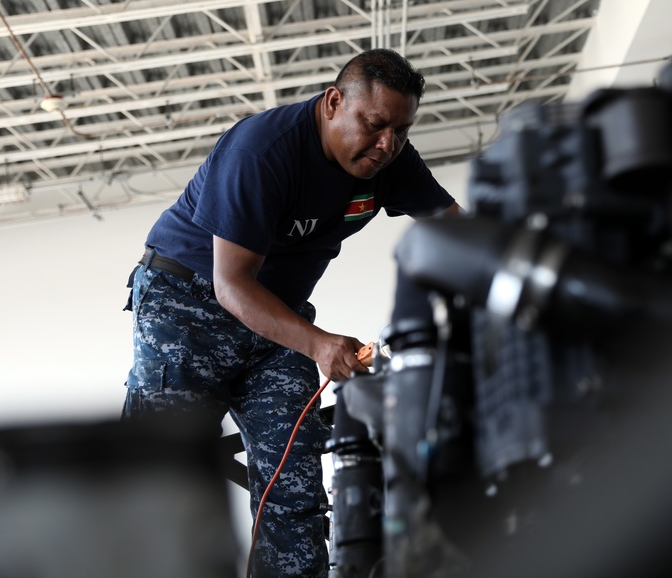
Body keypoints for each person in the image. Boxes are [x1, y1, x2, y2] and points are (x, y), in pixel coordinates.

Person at [121, 48, 460, 577]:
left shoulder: (390, 157)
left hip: (279, 322)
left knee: (294, 487)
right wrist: (321, 344)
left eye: (400, 130)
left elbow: (459, 234)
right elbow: (231, 285)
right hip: (188, 308)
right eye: (373, 125)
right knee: (156, 477)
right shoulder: (263, 150)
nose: (386, 144)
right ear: (332, 103)